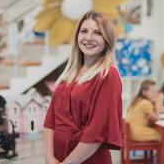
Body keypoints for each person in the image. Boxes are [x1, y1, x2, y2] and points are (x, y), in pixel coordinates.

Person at [43, 11, 122, 164]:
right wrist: (49, 157)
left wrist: (68, 163)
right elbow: (51, 118)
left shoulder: (108, 75)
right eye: (84, 31)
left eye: (97, 33)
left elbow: (97, 131)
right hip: (57, 157)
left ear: (107, 40)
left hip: (87, 159)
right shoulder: (70, 73)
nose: (88, 38)